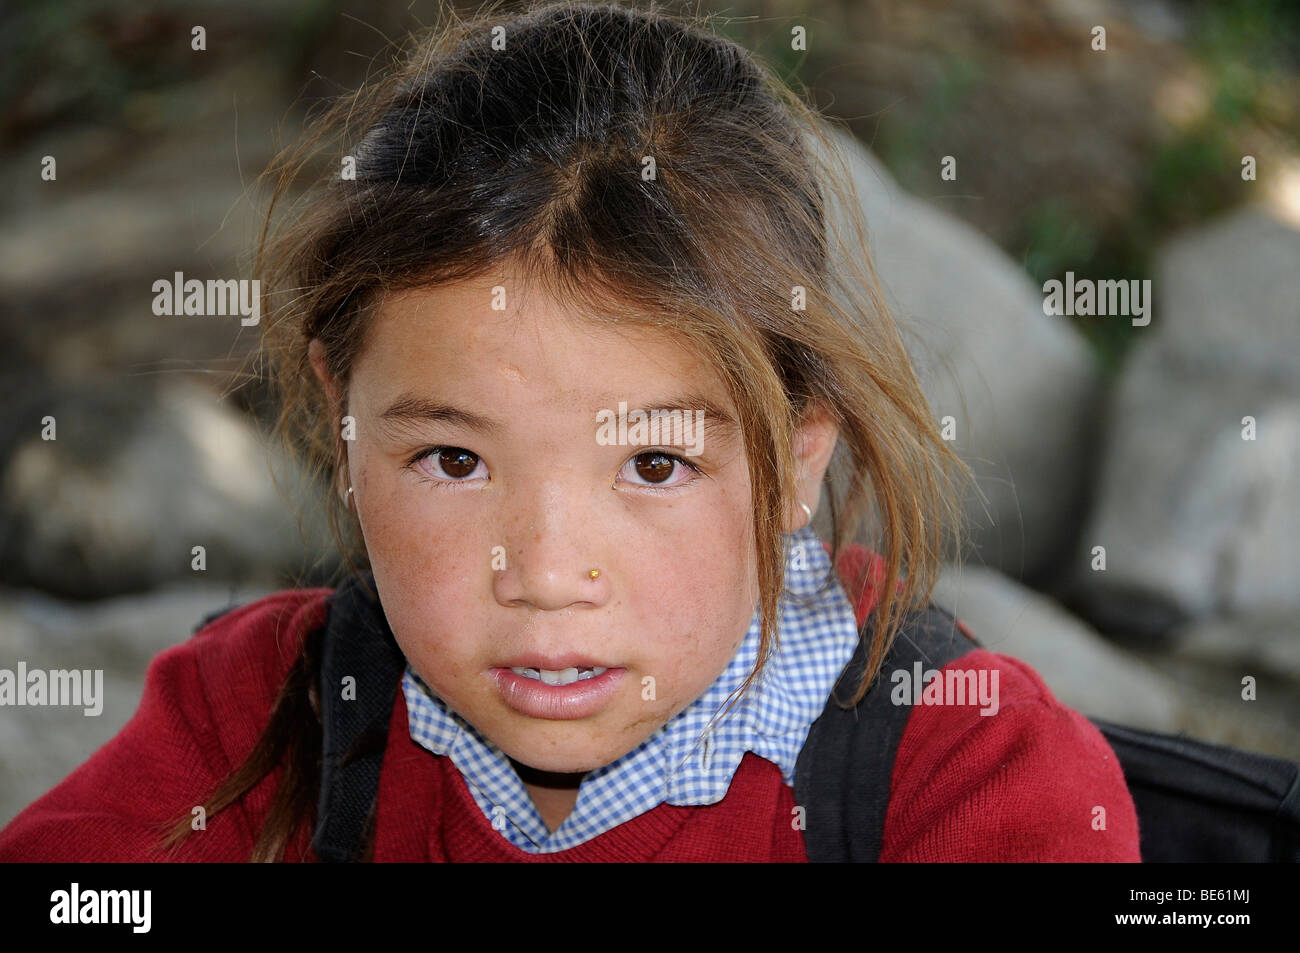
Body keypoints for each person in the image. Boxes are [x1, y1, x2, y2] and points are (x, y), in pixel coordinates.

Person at [0, 0, 1138, 862]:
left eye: (653, 462)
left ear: (797, 458)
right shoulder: (268, 713)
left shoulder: (972, 781)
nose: (545, 574)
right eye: (454, 459)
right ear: (342, 427)